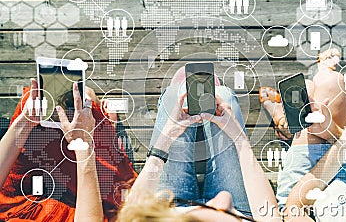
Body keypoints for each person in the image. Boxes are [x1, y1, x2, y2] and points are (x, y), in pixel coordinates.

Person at [71, 66, 281, 221]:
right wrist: (238, 137)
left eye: (220, 208)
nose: (224, 198)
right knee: (222, 96)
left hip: (167, 208)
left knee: (176, 95)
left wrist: (169, 134)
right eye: (227, 210)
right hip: (239, 209)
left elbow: (132, 212)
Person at [262, 49, 346, 221]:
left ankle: (285, 120)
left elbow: (294, 208)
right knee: (330, 83)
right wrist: (341, 139)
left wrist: (342, 141)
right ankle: (292, 121)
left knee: (310, 90)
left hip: (306, 193)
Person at [0, 79, 137, 221]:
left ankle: (101, 122)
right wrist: (83, 143)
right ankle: (102, 122)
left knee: (35, 100)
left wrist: (25, 122)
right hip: (76, 210)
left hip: (18, 204)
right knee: (86, 100)